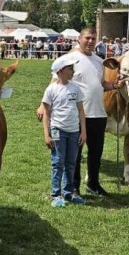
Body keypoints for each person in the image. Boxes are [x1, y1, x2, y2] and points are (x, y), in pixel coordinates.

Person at [57, 28, 121, 197]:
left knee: (96, 153)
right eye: (87, 38)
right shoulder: (68, 59)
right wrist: (44, 106)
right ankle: (73, 186)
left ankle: (93, 184)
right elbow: (56, 82)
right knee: (75, 154)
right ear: (79, 39)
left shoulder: (99, 61)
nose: (90, 41)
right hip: (77, 114)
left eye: (93, 38)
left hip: (98, 114)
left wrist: (114, 86)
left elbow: (101, 84)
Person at [42, 54, 88, 207]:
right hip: (57, 130)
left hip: (74, 132)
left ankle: (69, 192)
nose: (73, 71)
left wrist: (83, 131)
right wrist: (47, 135)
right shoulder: (51, 90)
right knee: (58, 162)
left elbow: (81, 110)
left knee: (71, 162)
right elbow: (46, 114)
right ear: (61, 71)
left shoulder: (76, 88)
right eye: (70, 68)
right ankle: (56, 194)